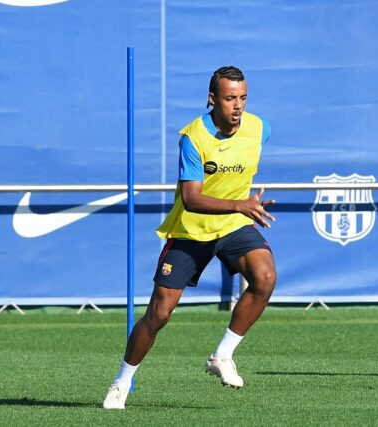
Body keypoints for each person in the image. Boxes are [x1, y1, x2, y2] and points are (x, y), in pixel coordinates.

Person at [103, 66, 276, 409]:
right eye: (229, 98)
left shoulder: (259, 128)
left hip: (232, 226)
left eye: (242, 97)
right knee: (159, 314)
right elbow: (192, 199)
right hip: (190, 231)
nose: (237, 106)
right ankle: (121, 382)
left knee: (265, 277)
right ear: (212, 100)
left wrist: (240, 209)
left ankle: (222, 356)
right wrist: (239, 203)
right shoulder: (193, 138)